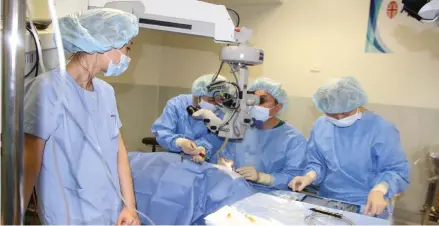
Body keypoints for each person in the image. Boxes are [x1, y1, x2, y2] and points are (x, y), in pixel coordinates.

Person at [23, 8, 140, 225]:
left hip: (110, 212)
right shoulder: (48, 89)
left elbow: (119, 151)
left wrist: (130, 207)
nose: (127, 56)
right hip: (68, 215)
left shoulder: (106, 92)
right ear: (104, 42)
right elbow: (29, 162)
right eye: (127, 47)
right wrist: (11, 217)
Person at [289, 77, 410, 217]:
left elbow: (396, 170)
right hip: (328, 201)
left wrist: (379, 190)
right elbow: (317, 161)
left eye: (345, 113)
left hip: (367, 205)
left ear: (356, 103)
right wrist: (308, 176)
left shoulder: (381, 129)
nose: (339, 118)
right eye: (332, 114)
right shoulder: (321, 125)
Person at [219, 78, 307, 192]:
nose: (255, 106)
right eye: (252, 100)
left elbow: (294, 177)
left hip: (273, 198)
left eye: (262, 101)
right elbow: (228, 156)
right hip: (238, 191)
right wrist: (225, 164)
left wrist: (263, 178)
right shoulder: (242, 129)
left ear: (278, 107)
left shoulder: (294, 139)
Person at [152, 74, 226, 163]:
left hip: (204, 162)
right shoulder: (177, 104)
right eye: (211, 100)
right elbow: (162, 131)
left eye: (218, 101)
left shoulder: (221, 113)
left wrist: (202, 151)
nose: (215, 104)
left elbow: (214, 140)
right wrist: (179, 142)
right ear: (198, 95)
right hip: (173, 161)